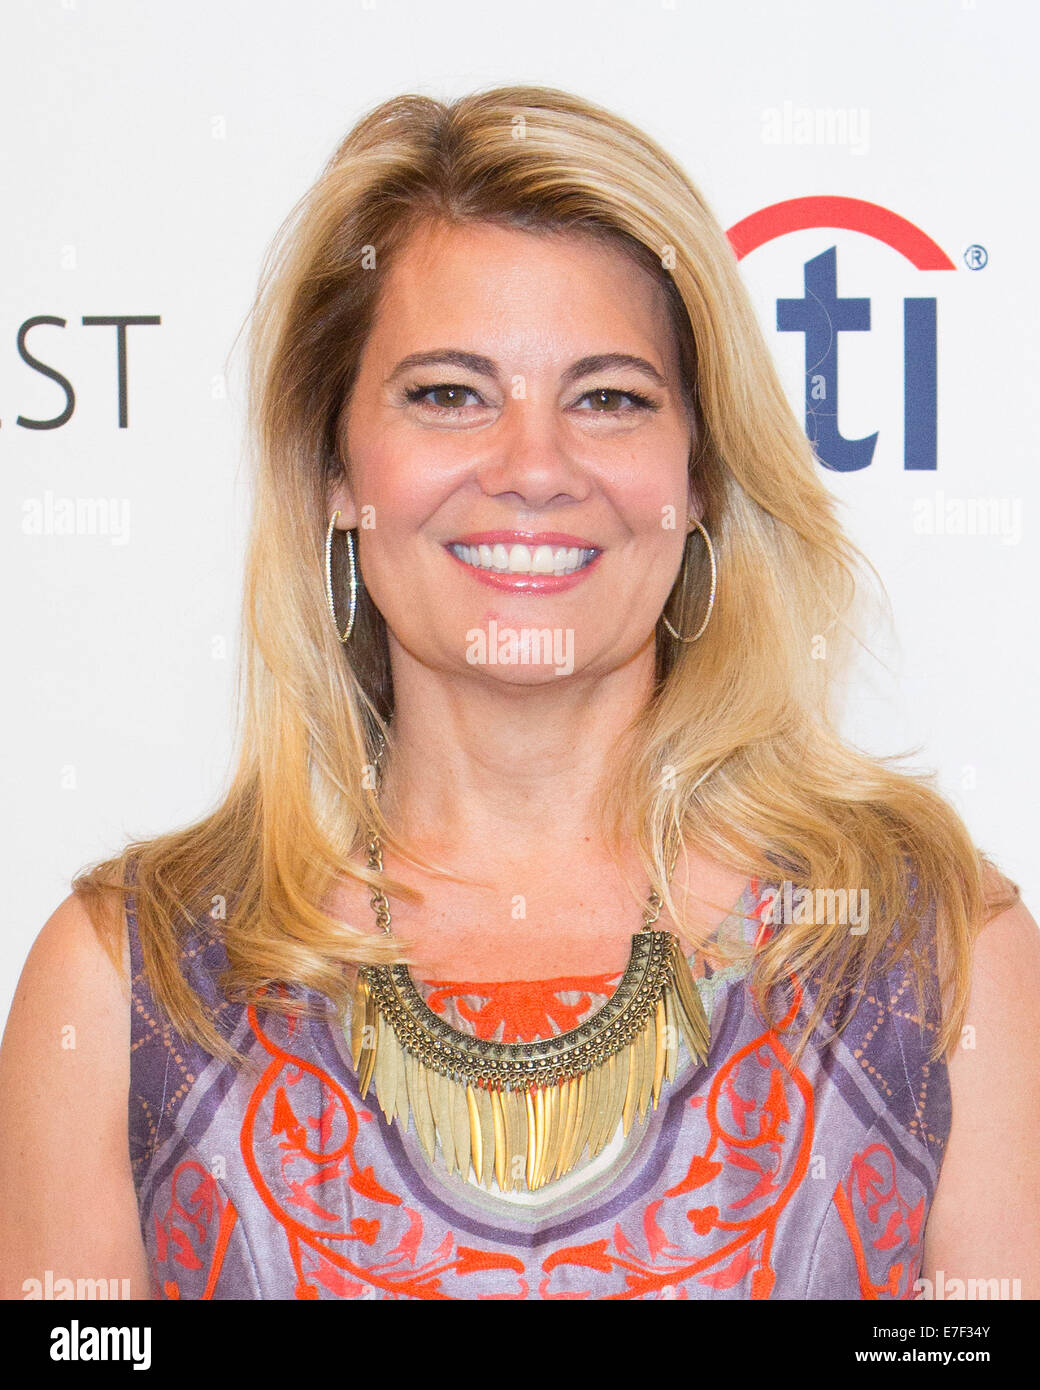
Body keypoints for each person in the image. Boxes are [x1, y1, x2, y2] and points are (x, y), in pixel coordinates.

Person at [2, 84, 1038, 1302]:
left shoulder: (927, 953)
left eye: (608, 398)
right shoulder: (130, 979)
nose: (534, 469)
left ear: (697, 474)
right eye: (449, 392)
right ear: (335, 469)